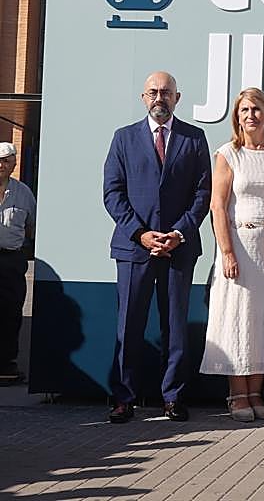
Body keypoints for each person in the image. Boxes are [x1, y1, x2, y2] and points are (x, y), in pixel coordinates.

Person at [103, 71, 212, 423]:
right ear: (143, 97)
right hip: (134, 248)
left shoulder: (194, 138)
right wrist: (141, 234)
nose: (159, 97)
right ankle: (123, 398)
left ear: (178, 98)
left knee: (175, 326)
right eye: (153, 92)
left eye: (166, 92)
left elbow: (202, 193)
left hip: (178, 249)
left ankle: (173, 397)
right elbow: (113, 193)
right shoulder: (124, 139)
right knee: (129, 325)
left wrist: (178, 233)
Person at [199, 87, 264, 421]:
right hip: (239, 245)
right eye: (244, 110)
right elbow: (217, 207)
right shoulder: (228, 153)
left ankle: (256, 392)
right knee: (237, 319)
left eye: (257, 109)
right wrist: (227, 252)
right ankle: (236, 395)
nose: (251, 115)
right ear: (237, 117)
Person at [0, 142, 35, 385]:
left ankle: (5, 365)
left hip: (10, 260)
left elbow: (32, 227)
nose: (1, 165)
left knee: (11, 313)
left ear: (14, 163)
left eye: (6, 161)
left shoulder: (23, 193)